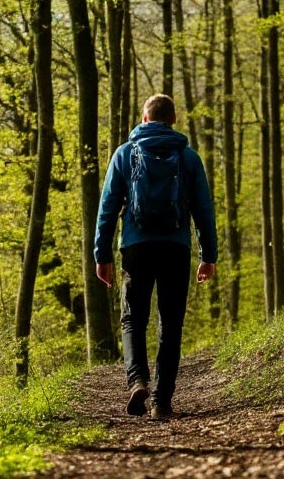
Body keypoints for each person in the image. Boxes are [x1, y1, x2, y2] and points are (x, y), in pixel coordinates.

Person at [94, 93, 218, 420]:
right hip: (176, 247)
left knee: (133, 318)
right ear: (173, 120)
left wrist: (102, 255)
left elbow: (107, 209)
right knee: (171, 322)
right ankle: (162, 401)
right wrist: (208, 255)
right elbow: (203, 210)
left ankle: (137, 381)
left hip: (136, 248)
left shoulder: (125, 154)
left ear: (145, 118)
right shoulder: (188, 157)